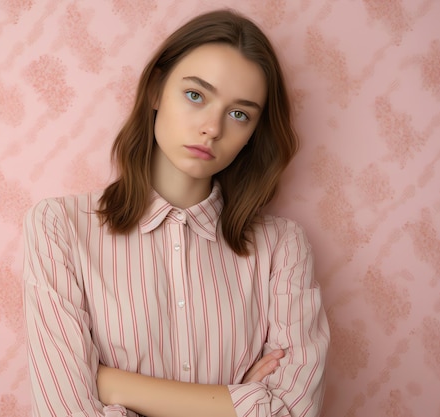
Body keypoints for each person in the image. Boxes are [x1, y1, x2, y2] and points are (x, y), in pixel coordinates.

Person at [23, 8, 329, 417]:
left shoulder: (283, 248)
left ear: (254, 132)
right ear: (155, 89)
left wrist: (112, 384)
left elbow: (294, 412)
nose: (213, 128)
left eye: (239, 114)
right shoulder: (59, 227)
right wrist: (240, 400)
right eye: (195, 95)